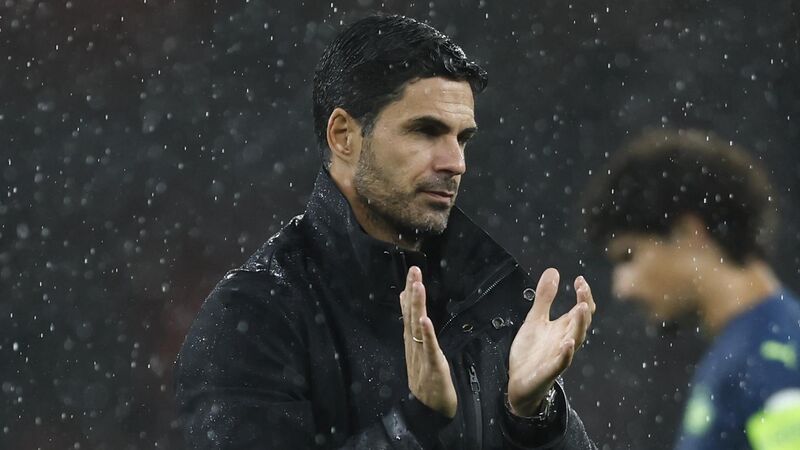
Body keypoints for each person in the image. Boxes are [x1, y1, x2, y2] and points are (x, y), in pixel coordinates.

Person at [175, 14, 597, 449]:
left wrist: (533, 419)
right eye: (426, 131)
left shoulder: (485, 301)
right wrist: (413, 426)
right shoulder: (253, 315)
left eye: (462, 138)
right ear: (343, 136)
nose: (456, 163)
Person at [582, 127, 800, 450]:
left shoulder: (770, 359)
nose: (622, 287)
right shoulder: (748, 349)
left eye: (629, 255)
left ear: (688, 231)